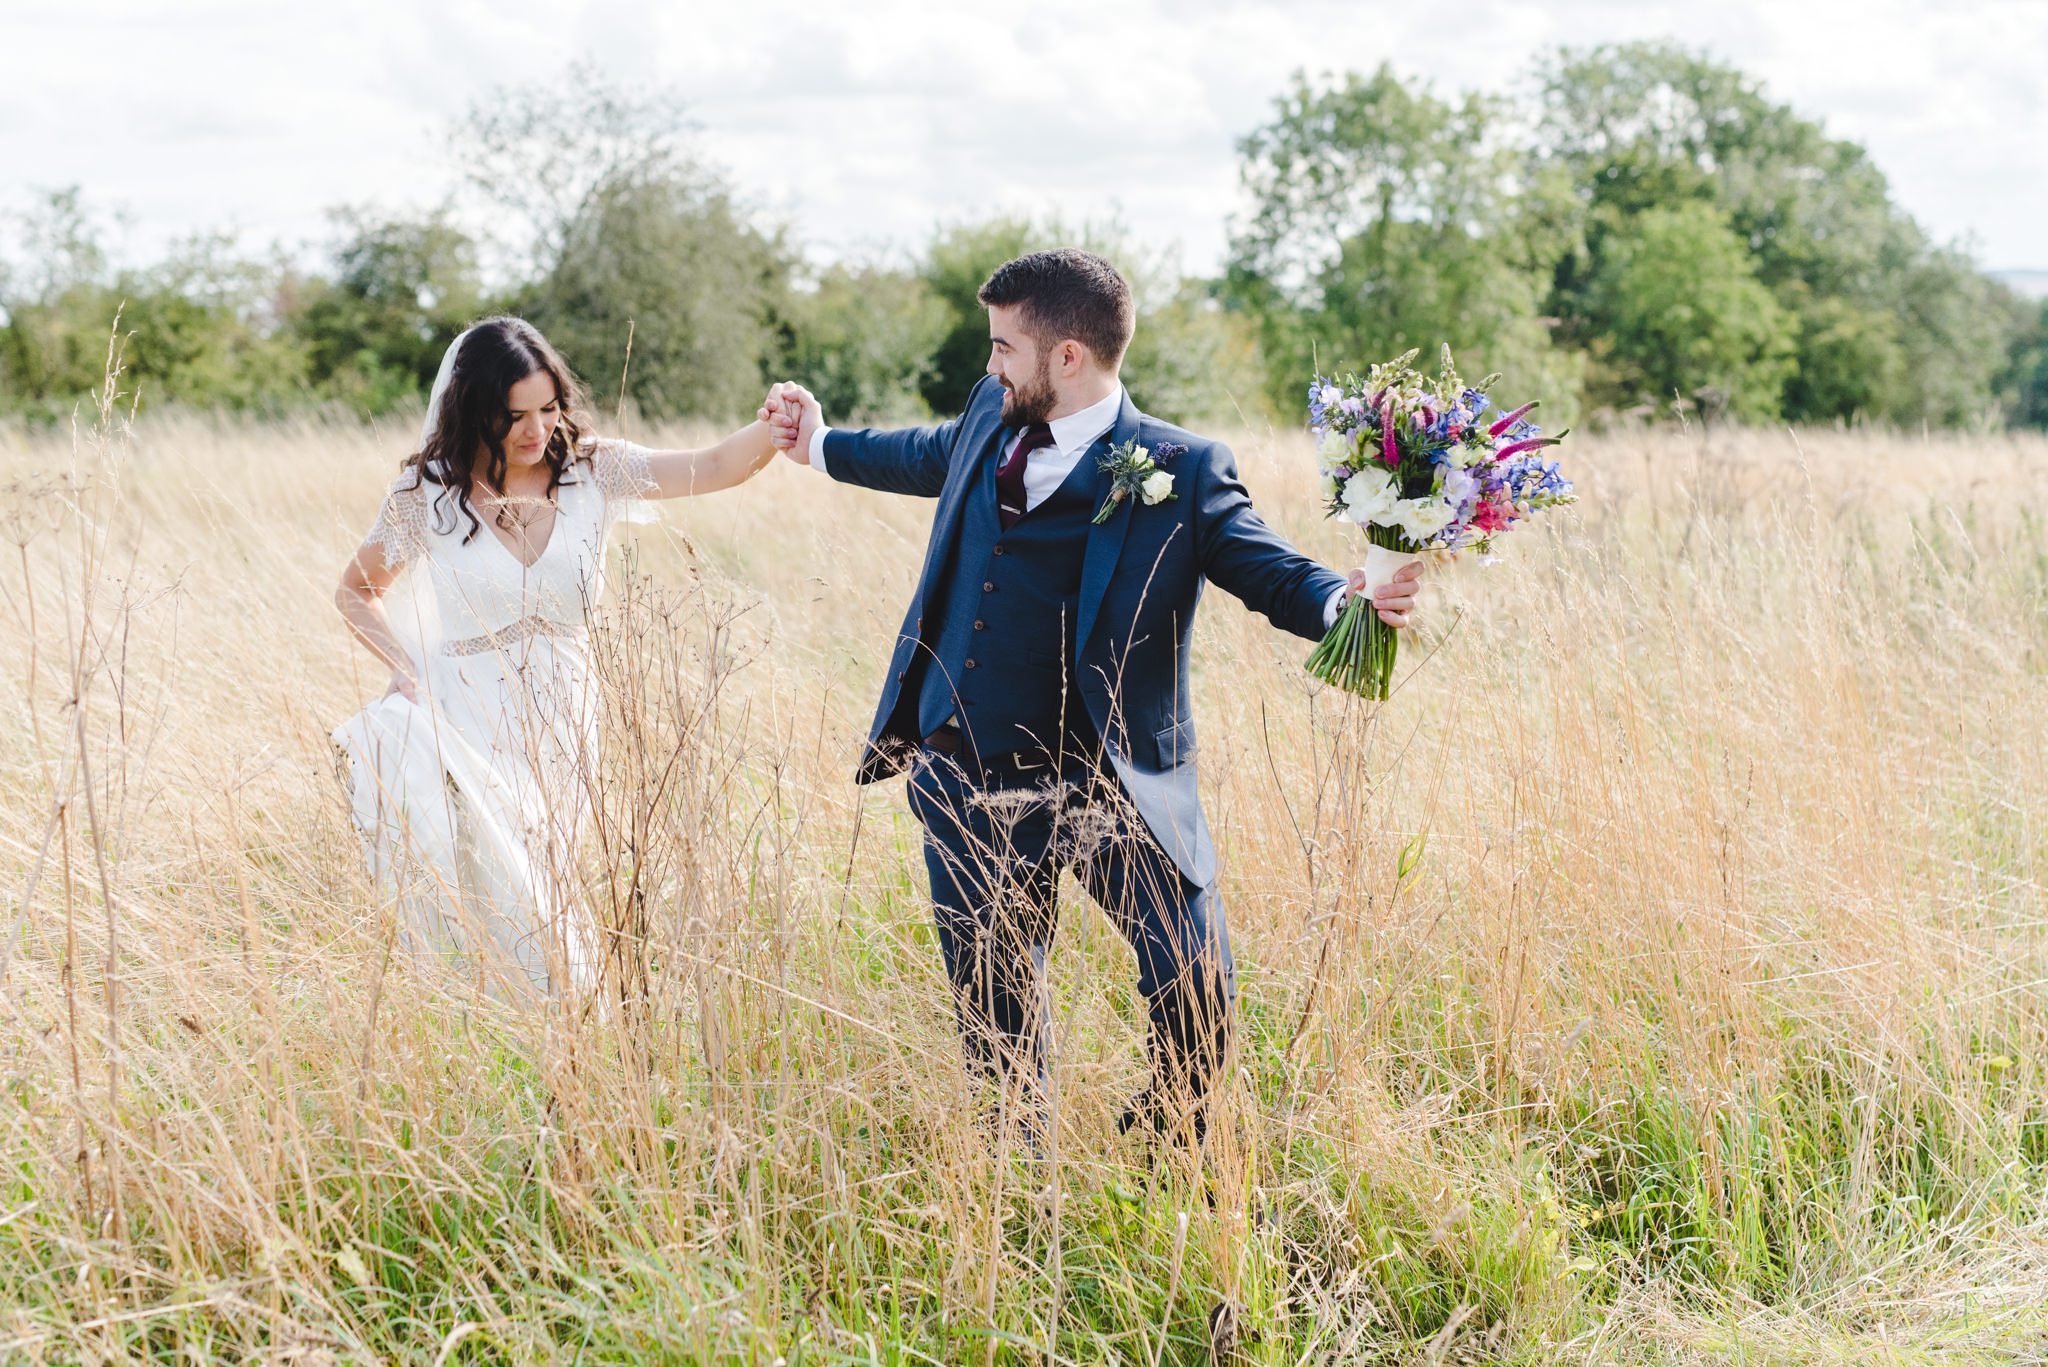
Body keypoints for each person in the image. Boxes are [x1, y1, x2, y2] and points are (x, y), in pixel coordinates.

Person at [761, 249, 1422, 1147]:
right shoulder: (990, 413)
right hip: (966, 769)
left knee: (1199, 987)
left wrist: (1346, 604)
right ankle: (1019, 1191)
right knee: (996, 1021)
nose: (990, 365)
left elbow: (1264, 567)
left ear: (1067, 356)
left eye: (1003, 347)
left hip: (1114, 782)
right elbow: (927, 454)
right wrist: (820, 445)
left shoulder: (1181, 470)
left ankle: (1158, 1143)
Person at [332, 316, 779, 1001]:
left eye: (547, 408)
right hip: (469, 709)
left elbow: (715, 465)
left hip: (568, 713)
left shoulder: (592, 470)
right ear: (474, 410)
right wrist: (405, 664)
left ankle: (562, 1033)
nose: (536, 429)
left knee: (552, 878)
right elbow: (356, 592)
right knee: (503, 883)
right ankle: (512, 1020)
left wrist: (778, 420)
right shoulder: (428, 495)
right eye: (514, 416)